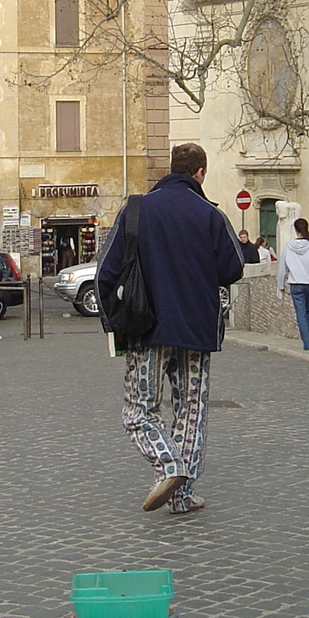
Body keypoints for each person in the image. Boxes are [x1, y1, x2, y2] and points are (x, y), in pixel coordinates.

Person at [96, 143, 244, 515]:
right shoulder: (211, 215)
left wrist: (113, 322)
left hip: (146, 328)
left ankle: (169, 466)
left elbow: (105, 273)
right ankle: (183, 494)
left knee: (139, 410)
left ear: (171, 168)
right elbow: (234, 268)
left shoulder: (136, 210)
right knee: (191, 409)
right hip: (198, 329)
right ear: (200, 173)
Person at [277, 217, 309, 351]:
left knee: (301, 312)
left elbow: (282, 267)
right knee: (308, 310)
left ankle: (308, 342)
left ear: (295, 230)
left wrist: (281, 285)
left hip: (296, 283)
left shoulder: (289, 247)